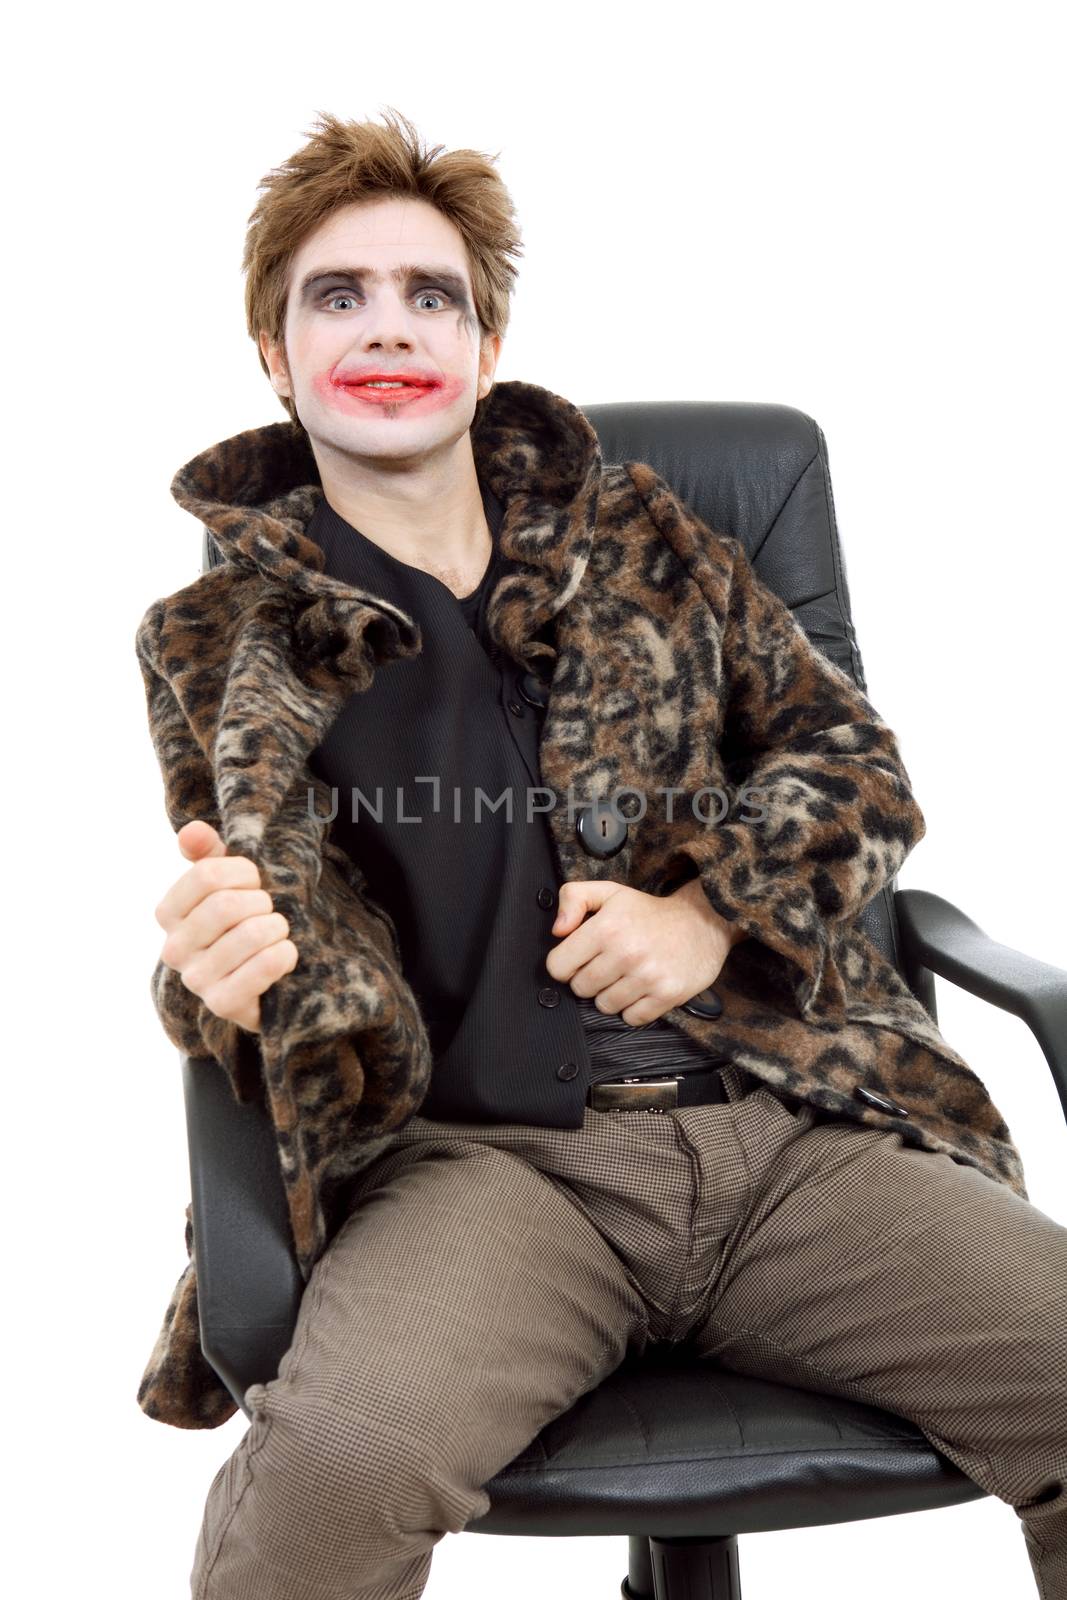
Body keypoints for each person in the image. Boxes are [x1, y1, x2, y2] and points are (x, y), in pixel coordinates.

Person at [139, 108, 1066, 1599]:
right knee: (334, 1476)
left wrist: (712, 910)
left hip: (783, 1127)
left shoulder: (649, 534)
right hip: (487, 1172)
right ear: (273, 352)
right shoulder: (225, 641)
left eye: (431, 294)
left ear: (486, 347)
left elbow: (860, 769)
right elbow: (276, 915)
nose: (390, 326)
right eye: (338, 294)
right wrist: (228, 983)